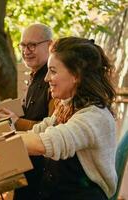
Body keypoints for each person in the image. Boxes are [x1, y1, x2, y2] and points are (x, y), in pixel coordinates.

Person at [20, 36, 117, 199]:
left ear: (76, 75)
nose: (46, 78)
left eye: (53, 71)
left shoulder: (95, 117)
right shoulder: (67, 106)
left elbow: (44, 143)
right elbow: (36, 133)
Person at [0, 23, 55, 200]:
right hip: (26, 165)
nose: (26, 51)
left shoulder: (54, 83)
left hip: (43, 177)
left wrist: (16, 122)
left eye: (32, 45)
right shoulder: (33, 76)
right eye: (23, 45)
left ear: (50, 45)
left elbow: (53, 129)